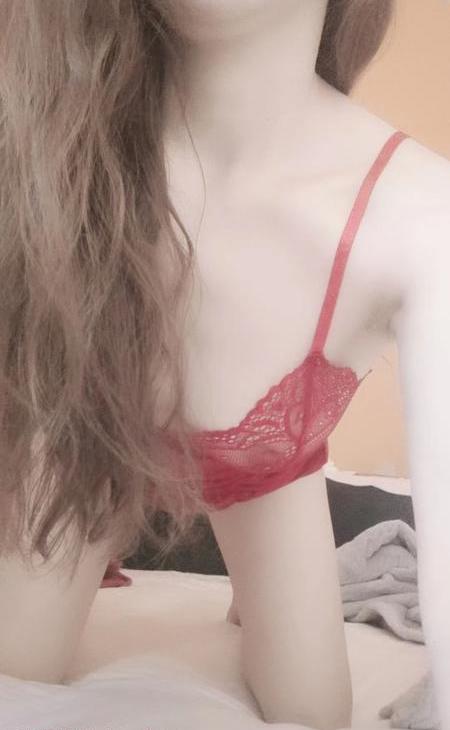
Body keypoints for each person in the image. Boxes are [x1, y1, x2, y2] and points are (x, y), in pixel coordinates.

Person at [0, 2, 450, 729]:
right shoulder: (40, 139)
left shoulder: (423, 216)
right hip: (73, 447)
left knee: (314, 713)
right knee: (14, 672)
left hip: (262, 470)